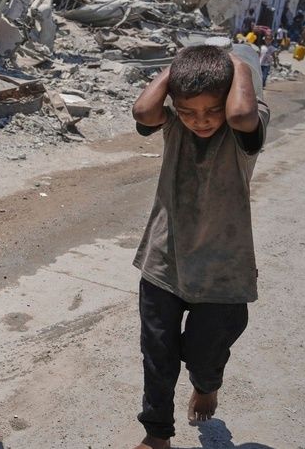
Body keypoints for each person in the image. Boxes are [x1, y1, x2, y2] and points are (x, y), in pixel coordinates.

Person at [128, 45, 269, 449]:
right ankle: (156, 433)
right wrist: (176, 67)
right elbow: (143, 111)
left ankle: (207, 384)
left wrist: (237, 63)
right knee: (158, 353)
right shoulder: (174, 123)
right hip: (164, 260)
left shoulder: (246, 128)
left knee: (205, 354)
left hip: (222, 272)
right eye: (188, 111)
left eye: (211, 110)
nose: (200, 120)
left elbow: (240, 115)